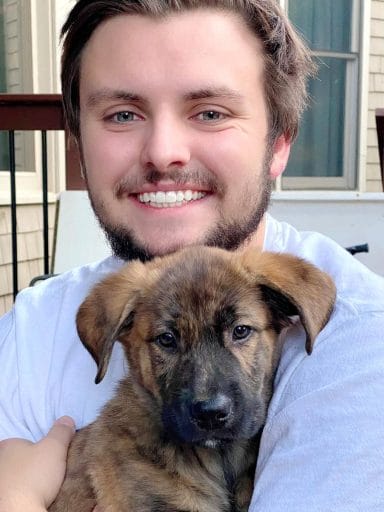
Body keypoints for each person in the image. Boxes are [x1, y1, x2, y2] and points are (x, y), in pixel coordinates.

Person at [1, 0, 384, 511]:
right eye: (122, 114)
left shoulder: (361, 344)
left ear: (280, 142)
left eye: (210, 112)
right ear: (79, 142)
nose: (163, 152)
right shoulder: (28, 328)